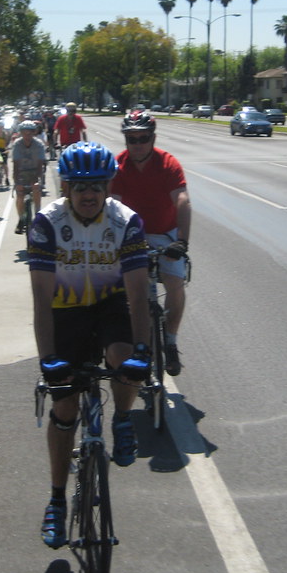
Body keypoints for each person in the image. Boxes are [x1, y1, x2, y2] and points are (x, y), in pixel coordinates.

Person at [29, 141, 151, 549]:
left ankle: (121, 417)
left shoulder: (126, 222)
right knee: (64, 407)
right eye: (80, 186)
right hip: (65, 313)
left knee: (124, 358)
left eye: (97, 186)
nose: (88, 194)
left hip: (111, 304)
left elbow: (137, 296)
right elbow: (41, 302)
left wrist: (144, 354)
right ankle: (57, 500)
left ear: (108, 186)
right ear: (65, 186)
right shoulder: (46, 224)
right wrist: (48, 359)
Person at [110, 110, 191, 376]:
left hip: (165, 233)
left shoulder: (168, 163)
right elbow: (114, 207)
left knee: (175, 285)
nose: (137, 144)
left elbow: (182, 200)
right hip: (132, 234)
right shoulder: (118, 165)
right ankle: (141, 345)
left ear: (152, 138)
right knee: (134, 295)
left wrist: (182, 241)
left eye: (143, 138)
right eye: (131, 139)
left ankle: (170, 342)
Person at [11, 121, 47, 234]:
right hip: (21, 171)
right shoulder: (17, 144)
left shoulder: (39, 144)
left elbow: (40, 165)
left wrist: (37, 180)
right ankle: (21, 219)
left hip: (35, 171)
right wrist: (17, 183)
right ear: (21, 133)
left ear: (34, 133)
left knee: (36, 189)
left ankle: (37, 214)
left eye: (30, 133)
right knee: (20, 195)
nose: (27, 136)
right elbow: (16, 165)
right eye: (24, 133)